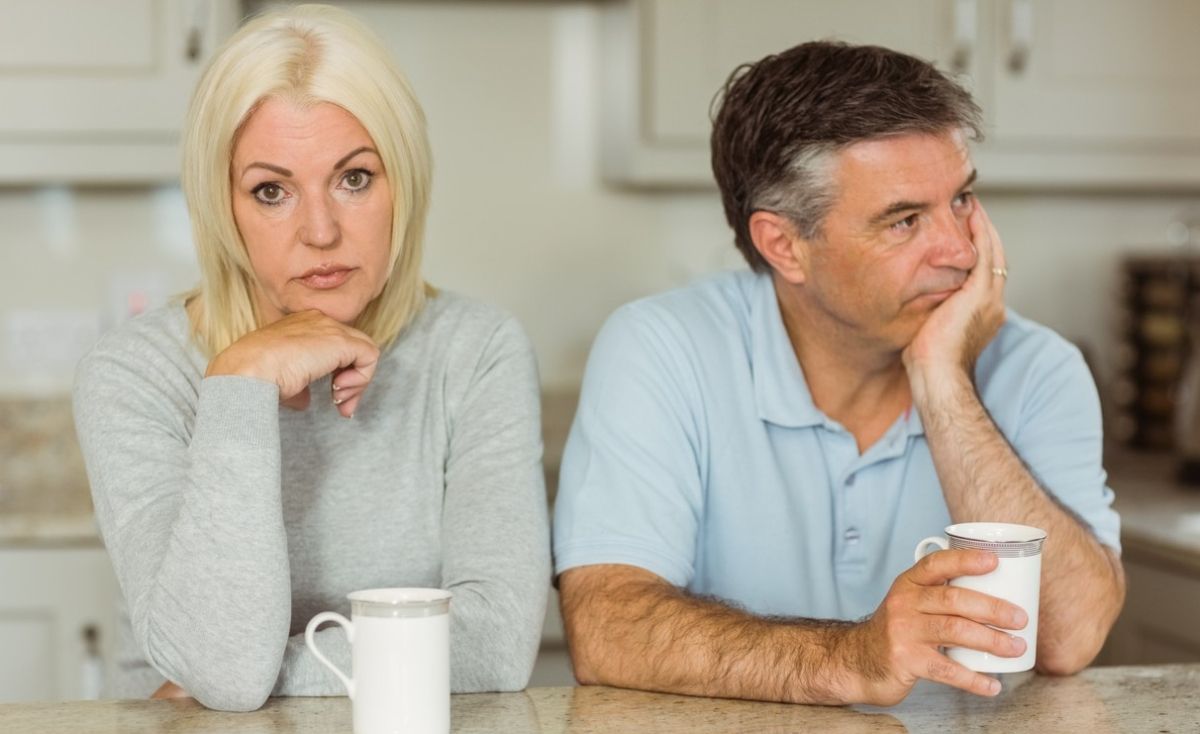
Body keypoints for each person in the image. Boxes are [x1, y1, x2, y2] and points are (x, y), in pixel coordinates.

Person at [553, 41, 1125, 707]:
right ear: (784, 245)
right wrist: (851, 657)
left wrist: (942, 380)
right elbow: (608, 627)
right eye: (904, 221)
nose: (960, 250)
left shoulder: (1038, 367)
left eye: (962, 199)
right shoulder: (662, 347)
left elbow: (1070, 637)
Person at [73, 4, 549, 712]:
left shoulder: (476, 351)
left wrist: (265, 670)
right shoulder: (134, 375)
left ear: (405, 182)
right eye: (272, 191)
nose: (320, 231)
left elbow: (498, 642)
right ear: (222, 207)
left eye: (354, 178)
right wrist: (239, 385)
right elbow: (223, 669)